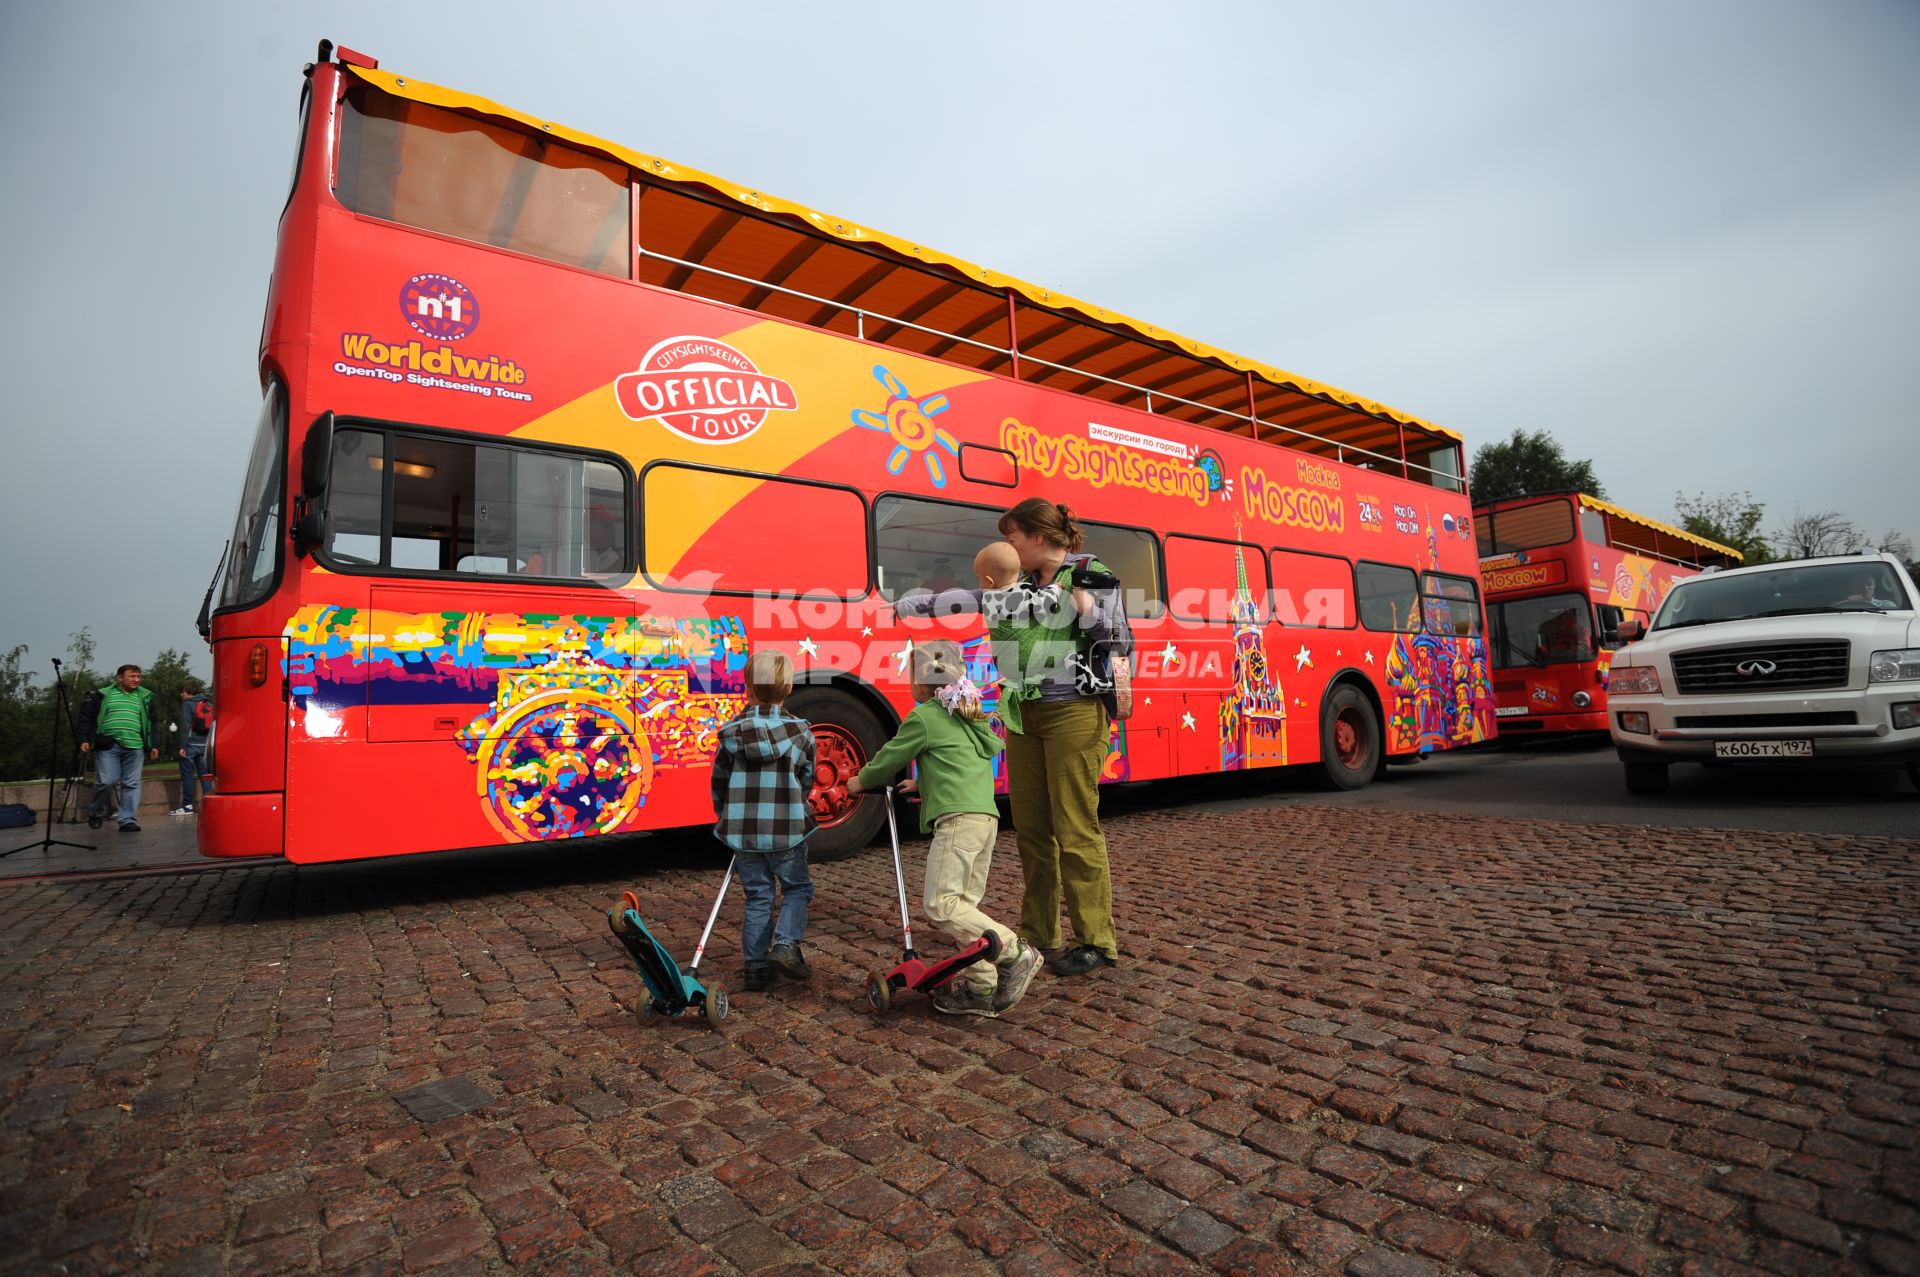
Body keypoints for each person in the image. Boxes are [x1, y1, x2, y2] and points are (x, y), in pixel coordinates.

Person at [897, 499, 1123, 978]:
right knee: (1032, 830)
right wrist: (907, 605)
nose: (1008, 545)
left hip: (1073, 712)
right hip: (1021, 713)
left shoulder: (1088, 571)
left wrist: (1083, 609)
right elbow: (964, 599)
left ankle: (1096, 941)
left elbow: (1117, 636)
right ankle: (1040, 934)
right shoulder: (1013, 584)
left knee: (1075, 827)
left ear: (1038, 537)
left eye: (1014, 535)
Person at [847, 639, 1041, 1017]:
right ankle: (980, 988)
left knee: (942, 906)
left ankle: (1016, 952)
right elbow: (961, 759)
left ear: (920, 685)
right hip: (984, 819)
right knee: (964, 907)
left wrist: (859, 781)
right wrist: (925, 782)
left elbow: (890, 757)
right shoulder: (967, 713)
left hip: (957, 822)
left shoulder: (924, 717)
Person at [711, 649, 817, 992]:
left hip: (745, 831)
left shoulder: (731, 733)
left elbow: (719, 783)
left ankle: (755, 968)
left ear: (748, 688)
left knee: (758, 895)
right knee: (797, 888)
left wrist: (728, 818)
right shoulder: (800, 732)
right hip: (787, 828)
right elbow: (807, 777)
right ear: (787, 689)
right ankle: (785, 945)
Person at [80, 664, 161, 833]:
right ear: (120, 677)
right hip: (108, 744)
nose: (136, 680)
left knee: (131, 783)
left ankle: (127, 820)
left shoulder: (145, 696)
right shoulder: (103, 695)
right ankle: (96, 811)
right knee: (106, 781)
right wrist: (85, 739)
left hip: (135, 745)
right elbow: (87, 717)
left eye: (138, 677)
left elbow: (153, 722)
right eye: (132, 676)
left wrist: (154, 744)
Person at [171, 679, 213, 816]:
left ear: (189, 693)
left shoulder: (187, 704)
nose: (180, 695)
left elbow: (185, 726)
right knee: (204, 776)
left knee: (187, 775)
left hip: (190, 745)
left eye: (182, 692)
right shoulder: (208, 704)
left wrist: (182, 746)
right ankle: (209, 804)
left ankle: (187, 806)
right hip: (204, 745)